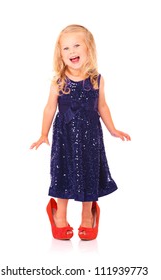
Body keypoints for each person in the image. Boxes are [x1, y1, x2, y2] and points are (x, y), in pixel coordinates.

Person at [30, 24, 131, 241]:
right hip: (64, 135)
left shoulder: (97, 79)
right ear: (60, 54)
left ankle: (88, 214)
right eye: (66, 48)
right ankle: (59, 214)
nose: (72, 51)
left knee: (89, 171)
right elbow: (49, 107)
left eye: (77, 45)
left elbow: (102, 106)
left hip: (91, 136)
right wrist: (43, 133)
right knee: (62, 172)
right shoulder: (58, 81)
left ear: (88, 49)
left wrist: (112, 129)